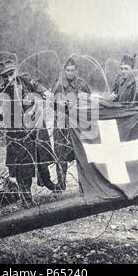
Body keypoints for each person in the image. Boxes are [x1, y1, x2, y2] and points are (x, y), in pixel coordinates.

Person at [0, 59, 58, 205]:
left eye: (11, 74)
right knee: (23, 165)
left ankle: (47, 182)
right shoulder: (2, 91)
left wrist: (45, 92)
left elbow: (37, 86)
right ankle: (26, 196)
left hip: (35, 127)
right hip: (17, 133)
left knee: (42, 156)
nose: (9, 78)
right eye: (5, 76)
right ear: (2, 78)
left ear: (16, 71)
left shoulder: (25, 80)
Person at [53, 57, 91, 190]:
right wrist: (58, 103)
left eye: (72, 70)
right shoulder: (59, 86)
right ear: (64, 71)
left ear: (76, 71)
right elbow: (51, 105)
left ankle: (84, 184)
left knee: (81, 154)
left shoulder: (82, 85)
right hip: (61, 126)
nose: (70, 73)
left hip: (78, 125)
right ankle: (61, 184)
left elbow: (90, 104)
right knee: (60, 154)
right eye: (67, 70)